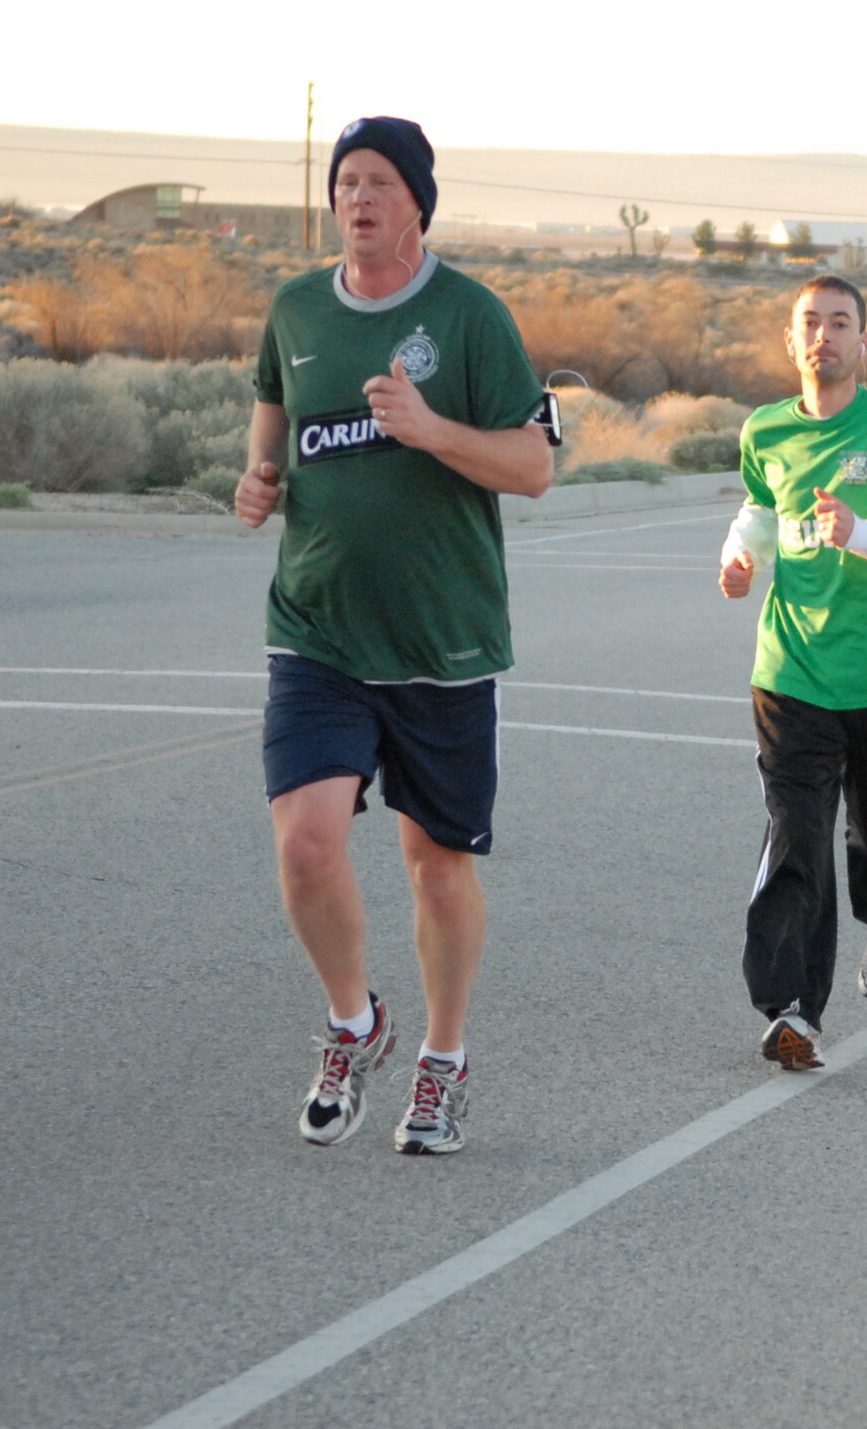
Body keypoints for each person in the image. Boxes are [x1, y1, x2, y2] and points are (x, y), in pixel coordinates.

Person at [234, 117, 557, 1154]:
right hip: (318, 628)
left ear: (417, 201)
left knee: (435, 866)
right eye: (344, 184)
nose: (357, 199)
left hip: (443, 642)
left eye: (378, 183)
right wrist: (256, 477)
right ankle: (353, 1023)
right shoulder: (294, 310)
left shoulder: (469, 318)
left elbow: (534, 465)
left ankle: (443, 1060)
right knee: (306, 842)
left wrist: (430, 431)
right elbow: (272, 423)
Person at [717, 275, 867, 1071]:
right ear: (791, 341)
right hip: (790, 669)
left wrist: (863, 532)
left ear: (865, 343)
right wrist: (739, 556)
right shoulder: (765, 430)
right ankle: (792, 1008)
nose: (823, 334)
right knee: (798, 830)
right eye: (810, 322)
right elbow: (759, 507)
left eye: (840, 323)